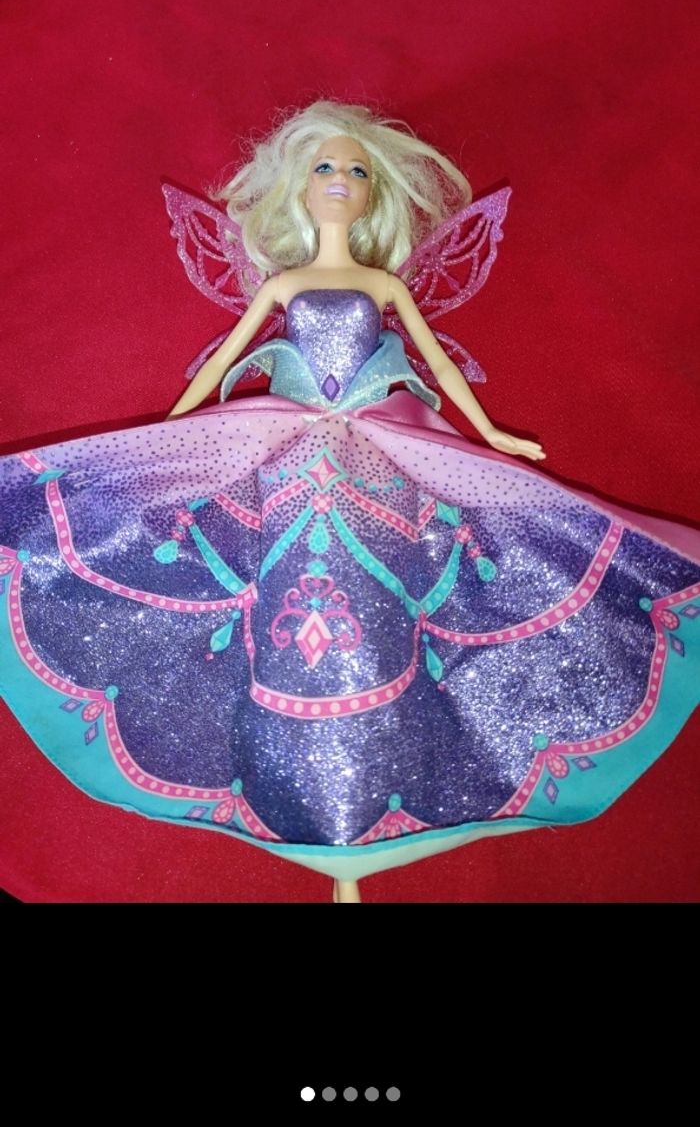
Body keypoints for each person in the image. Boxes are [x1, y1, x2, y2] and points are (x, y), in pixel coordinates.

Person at [1, 101, 698, 902]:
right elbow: (221, 362)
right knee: (283, 622)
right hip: (289, 463)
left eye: (356, 170)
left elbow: (438, 369)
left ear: (375, 195)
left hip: (374, 466)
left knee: (377, 623)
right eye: (325, 167)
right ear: (299, 188)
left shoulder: (381, 283)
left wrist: (491, 436)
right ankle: (323, 823)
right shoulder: (286, 284)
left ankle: (360, 822)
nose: (339, 180)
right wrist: (169, 437)